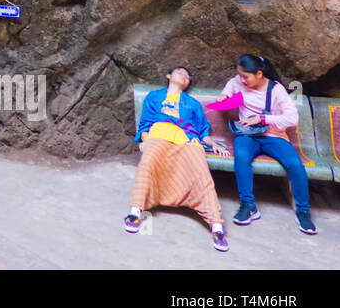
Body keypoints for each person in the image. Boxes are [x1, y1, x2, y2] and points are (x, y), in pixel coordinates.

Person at [207, 54, 315, 235]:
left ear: (259, 73)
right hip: (246, 135)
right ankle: (248, 205)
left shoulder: (276, 89)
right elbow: (232, 83)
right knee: (241, 157)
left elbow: (292, 117)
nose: (242, 80)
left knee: (295, 164)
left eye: (245, 76)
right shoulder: (238, 81)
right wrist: (225, 94)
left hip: (273, 135)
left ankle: (303, 211)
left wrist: (263, 118)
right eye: (240, 76)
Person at [126, 66, 231, 252]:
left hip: (187, 138)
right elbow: (145, 123)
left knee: (201, 172)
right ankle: (136, 211)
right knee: (148, 161)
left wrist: (212, 144)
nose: (184, 76)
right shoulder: (155, 97)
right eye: (180, 72)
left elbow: (202, 130)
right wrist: (145, 139)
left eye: (187, 75)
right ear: (168, 76)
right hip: (159, 133)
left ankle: (216, 225)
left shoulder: (192, 103)